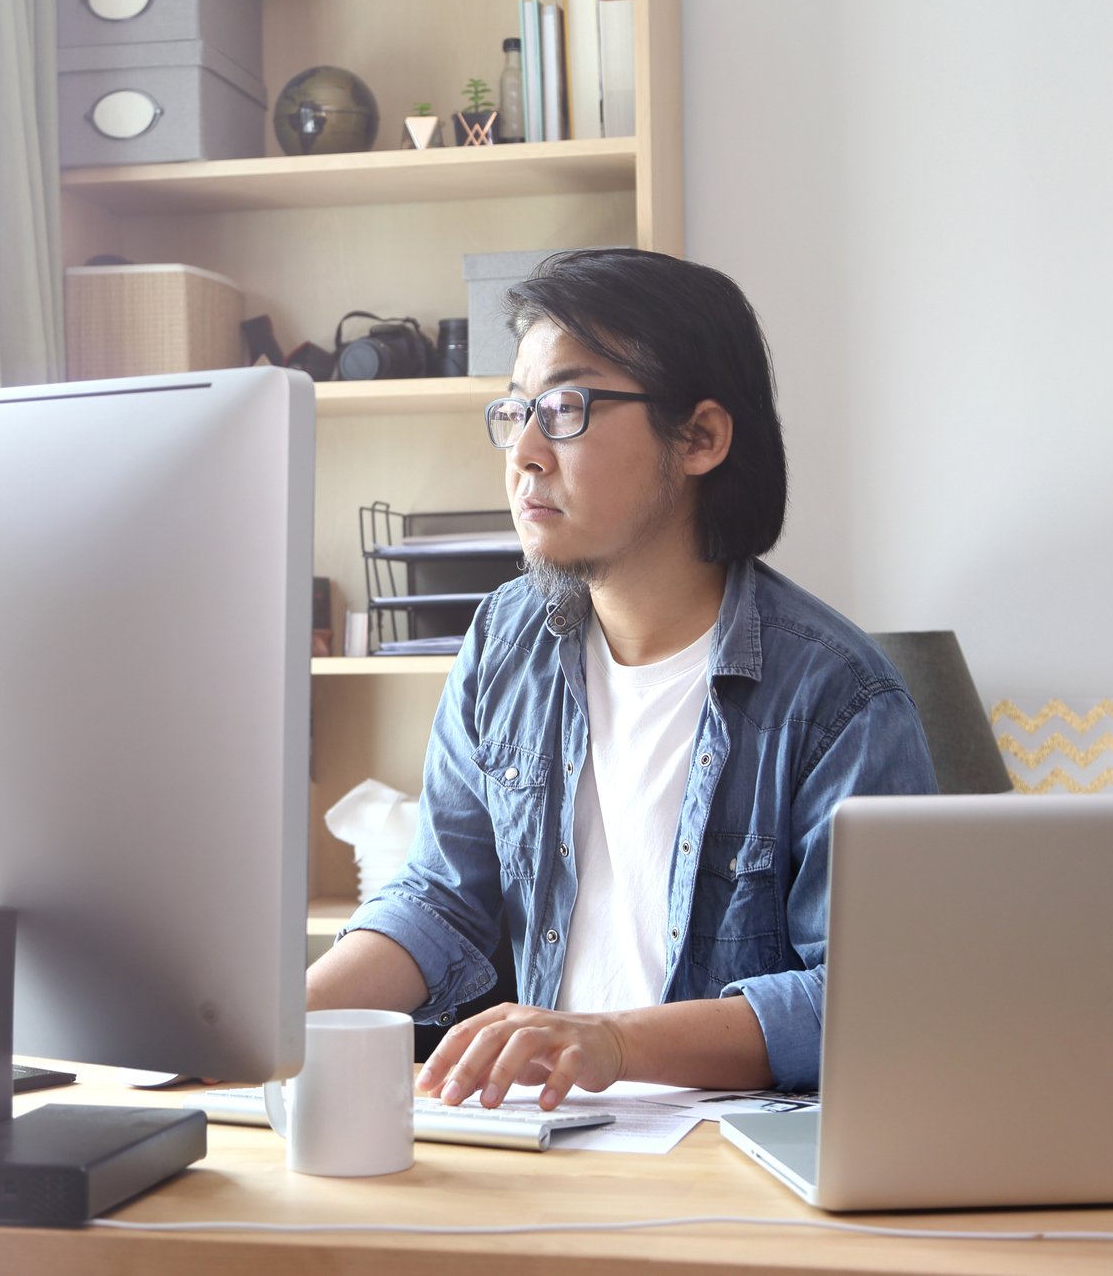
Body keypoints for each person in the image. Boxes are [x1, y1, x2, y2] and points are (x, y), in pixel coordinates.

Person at [305, 248, 938, 1109]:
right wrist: (271, 1024)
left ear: (701, 438)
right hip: (538, 1135)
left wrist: (609, 1041)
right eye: (514, 411)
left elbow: (869, 1004)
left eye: (564, 408)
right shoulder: (504, 640)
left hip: (732, 1156)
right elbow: (442, 902)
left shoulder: (839, 697)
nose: (524, 452)